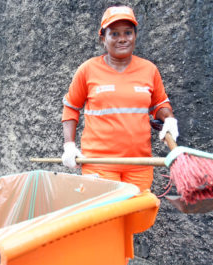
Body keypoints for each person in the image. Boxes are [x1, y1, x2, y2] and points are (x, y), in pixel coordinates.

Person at [61, 4, 179, 191]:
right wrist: (69, 145)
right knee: (105, 218)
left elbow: (159, 103)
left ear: (135, 36)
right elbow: (71, 107)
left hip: (139, 164)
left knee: (137, 218)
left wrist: (169, 119)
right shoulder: (88, 70)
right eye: (114, 34)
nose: (122, 39)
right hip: (99, 164)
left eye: (127, 33)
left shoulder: (149, 69)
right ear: (103, 38)